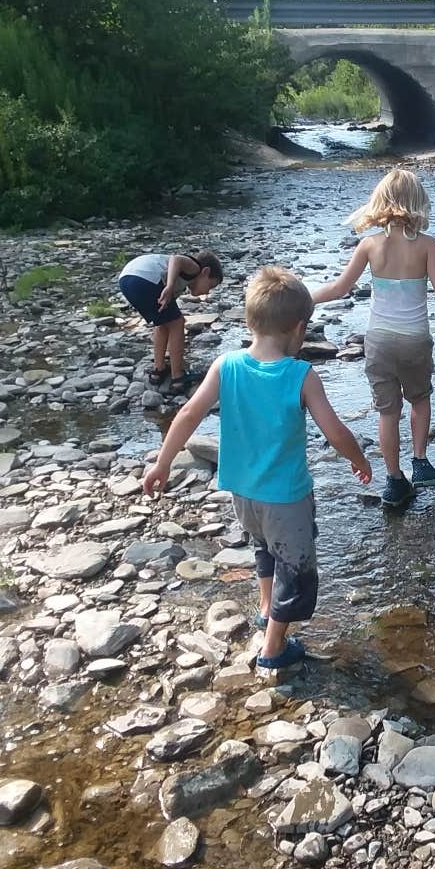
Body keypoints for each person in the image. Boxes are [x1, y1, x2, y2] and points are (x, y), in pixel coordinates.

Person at [142, 266, 372, 672]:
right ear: (300, 329)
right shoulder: (301, 374)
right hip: (285, 497)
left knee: (264, 549)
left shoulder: (225, 364)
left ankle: (266, 608)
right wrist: (358, 458)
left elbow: (189, 414)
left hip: (242, 492)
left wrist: (162, 462)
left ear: (250, 321)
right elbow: (334, 431)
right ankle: (273, 649)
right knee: (295, 570)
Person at [311, 169, 435, 507]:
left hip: (379, 342)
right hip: (414, 339)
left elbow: (340, 288)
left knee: (387, 413)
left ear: (380, 203)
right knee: (420, 398)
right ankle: (420, 462)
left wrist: (304, 298)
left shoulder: (369, 245)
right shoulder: (428, 246)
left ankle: (394, 481)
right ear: (418, 204)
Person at [118, 250, 223, 394]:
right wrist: (169, 286)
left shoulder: (184, 279)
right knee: (178, 323)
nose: (207, 292)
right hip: (146, 279)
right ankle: (178, 377)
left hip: (127, 279)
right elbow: (176, 259)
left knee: (162, 322)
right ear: (205, 272)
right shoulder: (195, 268)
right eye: (210, 286)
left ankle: (158, 370)